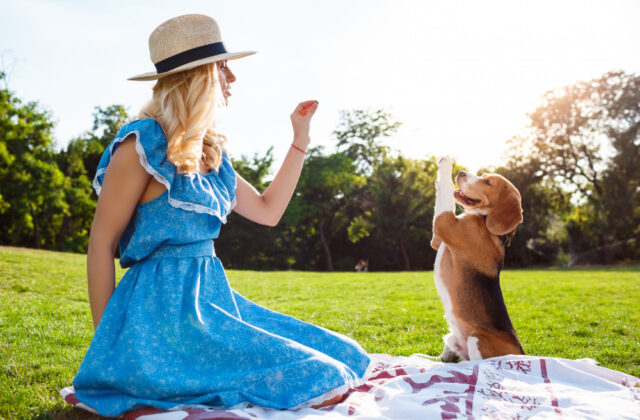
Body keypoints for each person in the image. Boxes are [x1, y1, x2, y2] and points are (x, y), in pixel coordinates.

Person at [71, 14, 370, 417]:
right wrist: (106, 342)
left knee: (347, 354)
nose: (232, 77)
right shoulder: (139, 145)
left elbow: (268, 211)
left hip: (213, 305)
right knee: (323, 377)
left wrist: (300, 140)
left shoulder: (209, 152)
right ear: (198, 77)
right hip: (159, 316)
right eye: (223, 67)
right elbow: (100, 244)